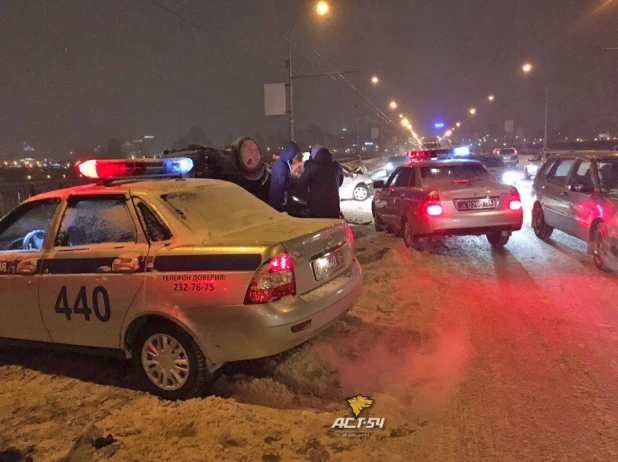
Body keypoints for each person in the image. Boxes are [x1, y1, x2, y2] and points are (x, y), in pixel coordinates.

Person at [299, 147, 344, 219]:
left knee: (317, 228)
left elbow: (302, 183)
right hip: (333, 206)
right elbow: (340, 181)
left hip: (316, 207)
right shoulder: (337, 165)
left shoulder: (312, 166)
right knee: (332, 228)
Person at [268, 141, 300, 212]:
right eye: (295, 153)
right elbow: (280, 183)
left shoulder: (285, 162)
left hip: (283, 199)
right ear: (290, 152)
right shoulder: (280, 165)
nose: (295, 156)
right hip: (279, 201)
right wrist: (293, 182)